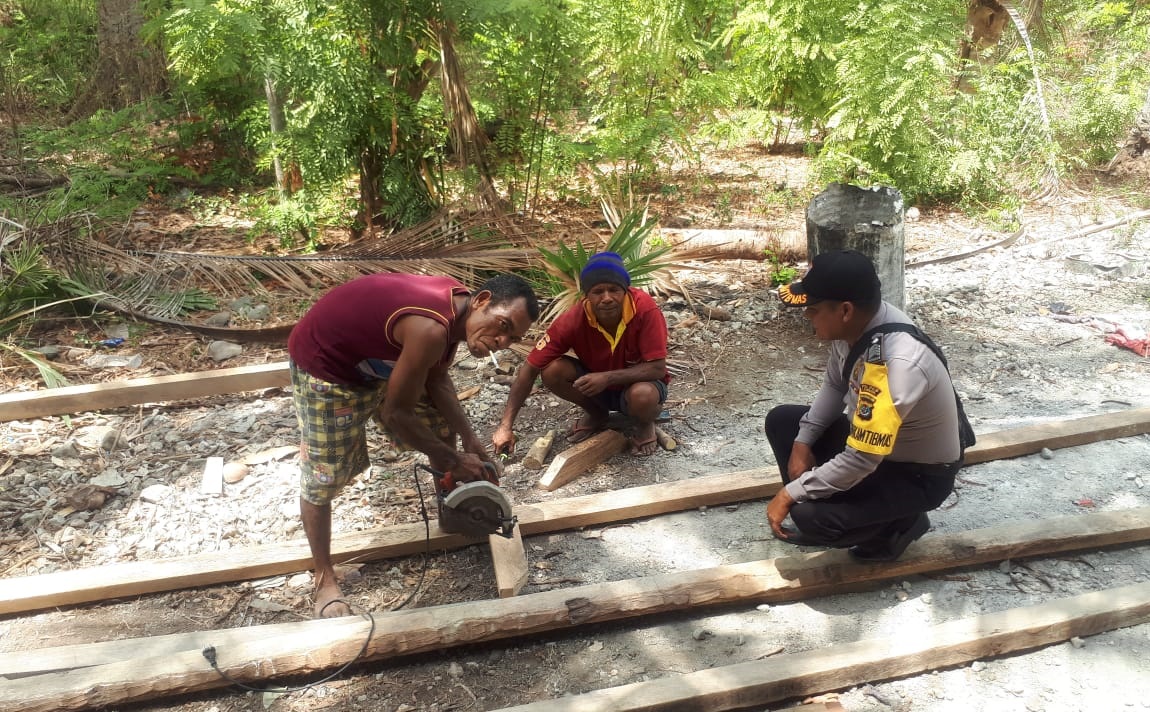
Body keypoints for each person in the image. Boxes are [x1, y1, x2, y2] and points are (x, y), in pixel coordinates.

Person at [287, 272, 539, 617]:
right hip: (328, 369)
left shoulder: (456, 315)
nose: (502, 341)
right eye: (502, 325)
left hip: (374, 362)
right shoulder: (431, 328)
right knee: (324, 475)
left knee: (439, 425)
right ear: (481, 300)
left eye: (513, 337)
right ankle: (324, 578)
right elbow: (396, 414)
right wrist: (453, 461)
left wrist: (469, 438)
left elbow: (437, 378)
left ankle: (454, 514)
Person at [764, 249, 963, 562]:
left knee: (811, 516)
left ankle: (894, 529)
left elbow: (862, 460)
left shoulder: (896, 365)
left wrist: (792, 493)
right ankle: (869, 514)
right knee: (784, 422)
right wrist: (803, 443)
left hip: (916, 475)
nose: (807, 317)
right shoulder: (858, 326)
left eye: (813, 310)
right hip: (881, 450)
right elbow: (835, 383)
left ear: (844, 310)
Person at [493, 251, 670, 458]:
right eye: (598, 291)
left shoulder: (644, 310)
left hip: (639, 385)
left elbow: (658, 369)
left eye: (614, 290)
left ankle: (644, 422)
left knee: (643, 396)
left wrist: (607, 377)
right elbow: (529, 368)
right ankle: (597, 413)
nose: (606, 298)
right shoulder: (573, 320)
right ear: (586, 295)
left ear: (625, 290)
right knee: (552, 371)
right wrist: (505, 426)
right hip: (598, 388)